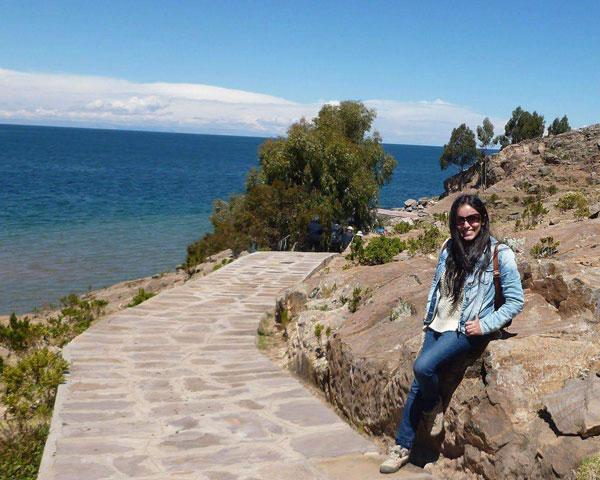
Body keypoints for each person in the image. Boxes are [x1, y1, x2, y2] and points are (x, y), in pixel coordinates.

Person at [380, 194, 524, 474]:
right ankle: (402, 447)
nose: (467, 225)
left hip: (466, 329)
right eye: (460, 220)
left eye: (473, 219)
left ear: (483, 219)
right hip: (438, 323)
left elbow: (516, 300)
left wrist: (486, 325)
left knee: (422, 367)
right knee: (418, 383)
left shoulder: (500, 253)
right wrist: (429, 318)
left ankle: (433, 405)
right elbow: (439, 288)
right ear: (453, 223)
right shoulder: (449, 247)